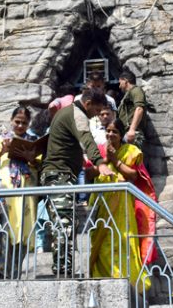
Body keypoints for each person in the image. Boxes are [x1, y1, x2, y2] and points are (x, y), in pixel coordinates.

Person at [40, 87, 114, 275]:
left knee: (68, 224)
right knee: (64, 225)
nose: (97, 116)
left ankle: (65, 270)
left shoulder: (66, 113)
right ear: (88, 104)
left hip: (61, 175)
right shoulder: (76, 113)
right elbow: (87, 139)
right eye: (97, 110)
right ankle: (63, 272)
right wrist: (99, 162)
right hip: (58, 176)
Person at [88, 119, 157, 291]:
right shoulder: (99, 150)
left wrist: (115, 161)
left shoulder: (131, 151)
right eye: (108, 131)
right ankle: (104, 280)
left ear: (121, 134)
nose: (111, 134)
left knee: (124, 241)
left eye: (115, 132)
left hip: (122, 207)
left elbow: (133, 175)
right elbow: (88, 172)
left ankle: (129, 282)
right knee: (103, 244)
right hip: (103, 205)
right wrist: (103, 161)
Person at [0, 107, 39, 278]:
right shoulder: (0, 140)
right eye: (17, 122)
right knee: (6, 231)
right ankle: (2, 273)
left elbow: (39, 164)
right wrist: (3, 151)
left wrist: (30, 157)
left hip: (26, 192)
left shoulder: (33, 141)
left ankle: (16, 271)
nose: (20, 125)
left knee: (24, 230)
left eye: (24, 123)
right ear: (11, 120)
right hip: (7, 192)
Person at [117, 70, 148, 148]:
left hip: (132, 133)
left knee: (133, 158)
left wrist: (132, 129)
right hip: (126, 133)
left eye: (120, 83)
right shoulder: (128, 93)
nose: (119, 86)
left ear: (125, 81)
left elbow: (139, 109)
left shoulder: (136, 90)